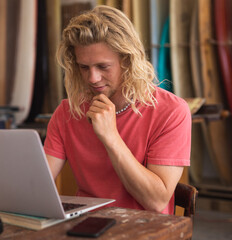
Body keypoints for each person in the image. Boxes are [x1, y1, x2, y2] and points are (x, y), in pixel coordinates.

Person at [43, 5, 191, 215]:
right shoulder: (68, 112)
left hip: (145, 231)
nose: (92, 78)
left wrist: (111, 137)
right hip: (84, 228)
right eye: (84, 67)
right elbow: (37, 184)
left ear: (128, 60)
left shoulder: (172, 111)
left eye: (103, 67)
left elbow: (157, 201)